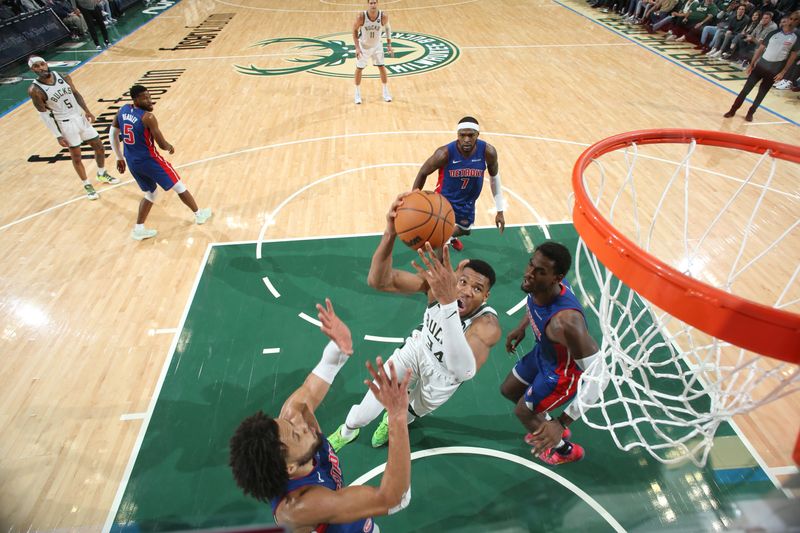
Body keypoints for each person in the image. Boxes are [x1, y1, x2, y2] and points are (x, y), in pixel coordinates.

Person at [328, 193, 502, 452]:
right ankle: (347, 430)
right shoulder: (438, 286)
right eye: (463, 281)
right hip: (417, 350)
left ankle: (392, 421)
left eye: (476, 289)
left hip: (442, 378)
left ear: (486, 296)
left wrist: (446, 304)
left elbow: (461, 370)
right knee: (367, 408)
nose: (465, 291)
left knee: (407, 414)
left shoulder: (487, 326)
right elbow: (379, 281)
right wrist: (390, 233)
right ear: (455, 276)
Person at [229, 299, 412, 532]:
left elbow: (317, 380)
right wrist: (396, 416)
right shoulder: (301, 505)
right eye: (296, 435)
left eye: (288, 423)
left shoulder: (292, 421)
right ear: (290, 468)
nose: (300, 424)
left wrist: (339, 347)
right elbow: (394, 498)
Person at [500, 242, 606, 466]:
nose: (529, 273)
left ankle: (564, 449)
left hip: (560, 375)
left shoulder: (566, 323)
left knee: (523, 411)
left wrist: (562, 422)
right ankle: (545, 425)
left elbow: (600, 376)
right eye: (531, 264)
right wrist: (522, 327)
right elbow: (535, 304)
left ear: (556, 279)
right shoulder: (538, 286)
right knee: (509, 389)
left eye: (540, 271)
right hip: (543, 354)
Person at [110, 85, 212, 241]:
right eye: (145, 97)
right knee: (178, 185)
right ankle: (199, 214)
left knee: (151, 193)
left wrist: (119, 157)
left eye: (149, 96)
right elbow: (162, 145)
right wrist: (170, 146)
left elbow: (113, 133)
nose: (149, 100)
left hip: (132, 161)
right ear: (136, 99)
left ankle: (139, 229)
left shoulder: (122, 110)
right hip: (150, 160)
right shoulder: (147, 117)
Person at [28, 56, 118, 201]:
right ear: (32, 69)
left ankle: (101, 173)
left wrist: (87, 111)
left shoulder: (62, 76)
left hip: (79, 117)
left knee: (99, 147)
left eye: (42, 64)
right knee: (77, 156)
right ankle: (87, 184)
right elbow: (44, 116)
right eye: (37, 66)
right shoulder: (35, 90)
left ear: (46, 64)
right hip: (65, 123)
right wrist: (57, 135)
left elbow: (75, 94)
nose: (41, 68)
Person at [411, 116, 506, 252]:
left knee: (465, 230)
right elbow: (423, 172)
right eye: (462, 135)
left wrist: (500, 210)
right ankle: (440, 270)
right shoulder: (444, 153)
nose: (466, 139)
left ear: (477, 135)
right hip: (444, 201)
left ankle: (449, 236)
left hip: (467, 203)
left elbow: (494, 177)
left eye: (471, 135)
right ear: (457, 135)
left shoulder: (488, 152)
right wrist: (414, 199)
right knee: (442, 245)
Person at [724, 11, 800, 121]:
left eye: (796, 20)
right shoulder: (773, 33)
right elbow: (760, 49)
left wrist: (783, 72)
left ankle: (751, 112)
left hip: (774, 70)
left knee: (762, 93)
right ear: (788, 19)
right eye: (791, 19)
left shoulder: (796, 38)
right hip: (761, 65)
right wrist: (752, 63)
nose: (792, 21)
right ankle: (733, 110)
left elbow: (792, 58)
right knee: (745, 90)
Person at [352, 0, 394, 104]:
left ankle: (385, 91)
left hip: (377, 46)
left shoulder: (383, 16)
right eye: (371, 3)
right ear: (368, 4)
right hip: (364, 46)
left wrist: (389, 44)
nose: (373, 5)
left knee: (382, 67)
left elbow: (388, 28)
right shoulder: (361, 17)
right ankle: (357, 93)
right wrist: (357, 47)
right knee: (359, 69)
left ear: (377, 3)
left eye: (375, 2)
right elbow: (354, 30)